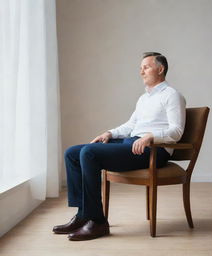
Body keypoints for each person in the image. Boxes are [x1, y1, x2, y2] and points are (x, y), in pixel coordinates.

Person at [53, 52, 186, 241]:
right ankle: (83, 214)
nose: (141, 72)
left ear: (160, 69)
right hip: (132, 144)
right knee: (72, 153)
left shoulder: (172, 95)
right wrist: (110, 133)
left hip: (154, 151)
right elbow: (131, 126)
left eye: (146, 67)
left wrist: (151, 137)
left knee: (89, 152)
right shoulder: (144, 99)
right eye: (140, 68)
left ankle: (97, 221)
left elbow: (177, 131)